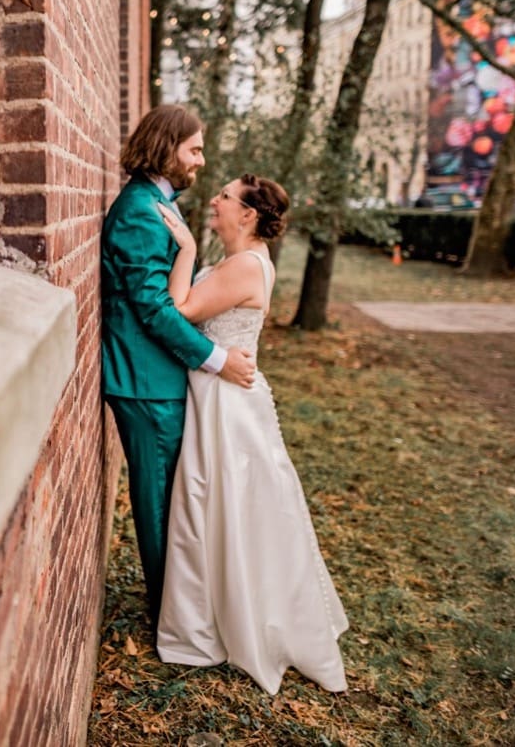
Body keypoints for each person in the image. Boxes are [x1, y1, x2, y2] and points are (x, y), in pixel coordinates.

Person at [154, 174, 349, 694]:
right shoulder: (243, 259)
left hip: (226, 405)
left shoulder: (245, 264)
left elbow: (180, 311)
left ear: (248, 215)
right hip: (220, 392)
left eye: (225, 196)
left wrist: (186, 248)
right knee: (225, 505)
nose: (215, 201)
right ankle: (220, 607)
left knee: (223, 504)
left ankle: (232, 617)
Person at [101, 105, 256, 626]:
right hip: (144, 381)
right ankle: (174, 619)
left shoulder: (157, 203)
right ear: (166, 147)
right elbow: (152, 307)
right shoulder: (140, 211)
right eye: (194, 149)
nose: (201, 160)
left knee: (177, 499)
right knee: (160, 504)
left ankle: (183, 606)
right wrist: (217, 360)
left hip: (159, 376)